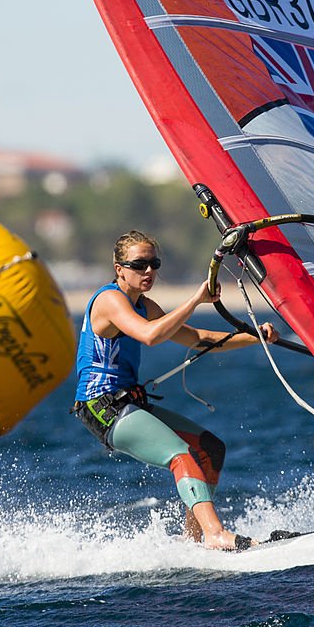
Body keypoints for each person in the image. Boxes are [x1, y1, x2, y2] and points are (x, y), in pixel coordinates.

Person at [72, 230, 279, 551]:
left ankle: (193, 540)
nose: (149, 272)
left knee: (210, 449)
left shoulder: (144, 305)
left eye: (154, 263)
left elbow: (199, 339)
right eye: (139, 265)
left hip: (126, 403)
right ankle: (215, 535)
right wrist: (196, 299)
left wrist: (255, 337)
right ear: (119, 268)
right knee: (181, 455)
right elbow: (150, 336)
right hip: (101, 407)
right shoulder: (109, 300)